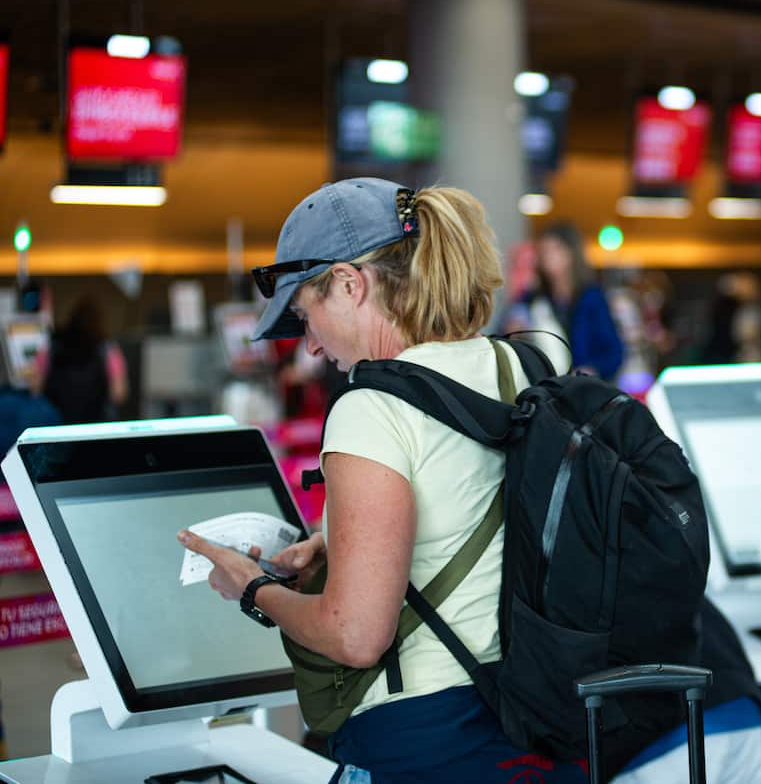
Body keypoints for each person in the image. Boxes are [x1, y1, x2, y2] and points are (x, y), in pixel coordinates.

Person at [178, 178, 586, 783]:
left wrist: (251, 588)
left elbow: (356, 636)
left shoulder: (371, 407)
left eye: (306, 316)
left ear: (350, 283)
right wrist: (341, 541)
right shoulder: (522, 364)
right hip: (540, 724)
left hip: (427, 742)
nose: (311, 346)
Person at [520, 222, 624, 381]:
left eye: (553, 249)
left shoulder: (591, 298)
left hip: (582, 389)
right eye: (543, 251)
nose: (546, 256)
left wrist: (591, 369)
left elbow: (614, 352)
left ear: (570, 253)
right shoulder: (532, 299)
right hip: (546, 389)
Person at [35, 295, 129, 424]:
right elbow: (118, 393)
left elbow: (36, 388)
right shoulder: (107, 348)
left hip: (57, 424)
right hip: (97, 426)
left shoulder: (52, 345)